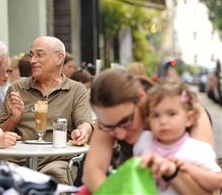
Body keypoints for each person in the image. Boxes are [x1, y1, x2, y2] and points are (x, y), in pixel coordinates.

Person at [82, 68, 217, 194]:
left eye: (126, 121)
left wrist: (171, 172)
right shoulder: (110, 113)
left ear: (141, 96)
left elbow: (210, 190)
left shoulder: (184, 110)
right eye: (110, 127)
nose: (121, 135)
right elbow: (92, 172)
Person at [0, 36, 93, 185]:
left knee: (54, 175)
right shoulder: (17, 88)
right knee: (9, 176)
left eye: (39, 55)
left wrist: (81, 133)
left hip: (56, 160)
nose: (33, 60)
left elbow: (84, 123)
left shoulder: (76, 90)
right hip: (17, 159)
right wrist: (14, 118)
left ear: (59, 58)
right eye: (31, 55)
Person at [133, 78, 221, 194]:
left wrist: (187, 168)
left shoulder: (197, 149)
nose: (163, 121)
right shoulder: (143, 141)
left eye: (171, 114)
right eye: (155, 115)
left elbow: (218, 181)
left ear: (189, 119)